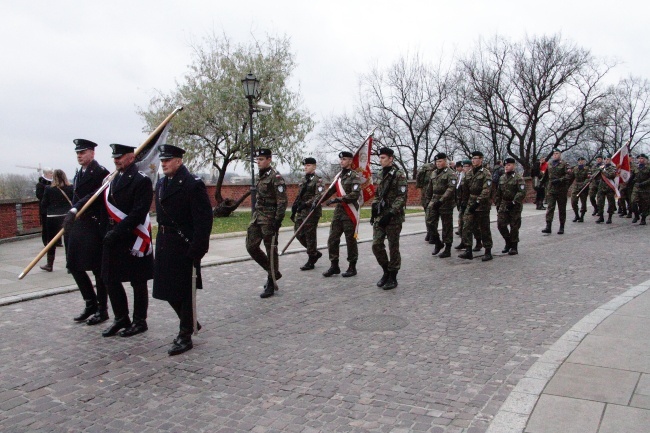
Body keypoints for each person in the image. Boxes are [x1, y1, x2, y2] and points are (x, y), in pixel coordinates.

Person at [152, 145, 213, 356]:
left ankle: (185, 335)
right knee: (165, 289)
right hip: (164, 242)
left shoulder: (191, 184)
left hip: (184, 244)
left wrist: (199, 248)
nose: (164, 163)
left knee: (185, 291)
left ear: (179, 161)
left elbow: (204, 219)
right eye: (162, 160)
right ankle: (191, 321)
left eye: (168, 160)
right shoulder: (161, 183)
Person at [93, 144, 154, 337]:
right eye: (114, 157)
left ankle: (139, 321)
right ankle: (121, 318)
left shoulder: (140, 180)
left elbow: (138, 212)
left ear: (131, 157)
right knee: (109, 278)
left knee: (138, 280)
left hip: (132, 236)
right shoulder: (111, 179)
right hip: (112, 236)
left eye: (119, 157)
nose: (116, 160)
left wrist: (117, 232)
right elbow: (102, 206)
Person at [62, 139, 111, 325]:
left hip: (93, 225)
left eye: (83, 152)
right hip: (78, 226)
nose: (79, 156)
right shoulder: (79, 173)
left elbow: (98, 197)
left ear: (92, 153)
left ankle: (102, 309)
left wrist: (76, 209)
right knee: (74, 266)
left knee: (97, 269)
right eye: (77, 153)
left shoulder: (101, 173)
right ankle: (90, 302)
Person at [246, 148, 287, 298]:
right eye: (257, 159)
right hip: (257, 217)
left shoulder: (276, 177)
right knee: (251, 246)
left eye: (261, 159)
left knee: (271, 250)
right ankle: (274, 272)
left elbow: (282, 201)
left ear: (269, 160)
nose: (258, 162)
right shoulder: (260, 176)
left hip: (269, 219)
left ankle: (271, 280)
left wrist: (278, 220)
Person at [370, 147, 407, 290]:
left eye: (383, 158)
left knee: (393, 247)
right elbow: (378, 194)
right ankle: (386, 270)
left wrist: (390, 213)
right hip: (381, 215)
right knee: (376, 245)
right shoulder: (379, 173)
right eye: (380, 158)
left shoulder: (399, 175)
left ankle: (393, 276)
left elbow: (401, 197)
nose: (381, 160)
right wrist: (374, 209)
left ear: (391, 159)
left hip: (394, 217)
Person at [322, 151, 362, 278]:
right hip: (339, 213)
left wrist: (337, 199)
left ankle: (352, 266)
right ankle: (334, 266)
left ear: (350, 161)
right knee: (332, 239)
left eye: (344, 159)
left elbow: (354, 195)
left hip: (349, 212)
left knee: (350, 240)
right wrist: (317, 201)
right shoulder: (338, 177)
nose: (341, 161)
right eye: (341, 159)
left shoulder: (354, 176)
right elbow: (329, 192)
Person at [290, 157, 324, 271]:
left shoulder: (318, 180)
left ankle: (311, 259)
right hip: (301, 211)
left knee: (310, 236)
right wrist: (294, 207)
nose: (306, 167)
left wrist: (306, 204)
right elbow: (299, 195)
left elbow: (319, 196)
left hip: (311, 211)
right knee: (298, 233)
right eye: (305, 166)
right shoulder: (303, 179)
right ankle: (314, 252)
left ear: (314, 166)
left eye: (308, 165)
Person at [459, 151, 493, 261]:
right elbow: (465, 189)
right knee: (466, 226)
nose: (473, 160)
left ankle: (488, 250)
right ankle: (468, 250)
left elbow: (486, 191)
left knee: (484, 228)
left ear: (481, 159)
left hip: (482, 205)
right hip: (470, 202)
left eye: (476, 158)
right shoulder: (469, 173)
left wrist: (477, 202)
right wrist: (464, 203)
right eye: (472, 158)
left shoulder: (486, 173)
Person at [39, 169, 73, 271]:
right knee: (68, 240)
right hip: (67, 216)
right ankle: (70, 265)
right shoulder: (71, 187)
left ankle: (50, 265)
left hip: (52, 217)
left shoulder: (49, 189)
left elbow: (44, 203)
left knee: (51, 241)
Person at [424, 152, 456, 258]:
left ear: (445, 161)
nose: (438, 163)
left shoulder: (450, 173)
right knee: (429, 221)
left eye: (440, 161)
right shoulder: (433, 173)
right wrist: (427, 200)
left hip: (445, 202)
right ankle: (438, 242)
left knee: (447, 226)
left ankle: (447, 248)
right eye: (436, 161)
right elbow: (430, 188)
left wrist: (441, 200)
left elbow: (451, 188)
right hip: (434, 199)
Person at [495, 158, 526, 255]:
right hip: (504, 204)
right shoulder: (502, 178)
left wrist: (513, 202)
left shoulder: (518, 178)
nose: (506, 167)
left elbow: (522, 192)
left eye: (508, 165)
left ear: (513, 166)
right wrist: (498, 203)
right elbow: (498, 192)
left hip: (514, 205)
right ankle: (508, 241)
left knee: (514, 226)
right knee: (501, 224)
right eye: (505, 165)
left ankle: (514, 246)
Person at [541, 148, 573, 235]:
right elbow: (546, 175)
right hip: (551, 189)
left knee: (561, 208)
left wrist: (560, 180)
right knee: (550, 207)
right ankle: (548, 226)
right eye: (554, 154)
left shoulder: (565, 164)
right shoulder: (550, 163)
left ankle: (561, 226)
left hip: (561, 189)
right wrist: (541, 183)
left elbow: (569, 175)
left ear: (560, 155)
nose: (555, 155)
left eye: (557, 153)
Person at [416, 160, 435, 242]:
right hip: (432, 194)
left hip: (424, 194)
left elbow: (418, 182)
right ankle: (431, 234)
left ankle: (429, 233)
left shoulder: (424, 168)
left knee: (427, 215)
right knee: (432, 215)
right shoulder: (435, 170)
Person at [595, 155, 617, 224]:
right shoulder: (601, 167)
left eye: (608, 159)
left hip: (609, 187)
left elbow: (610, 175)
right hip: (601, 187)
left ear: (610, 160)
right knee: (600, 203)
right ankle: (601, 217)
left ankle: (609, 217)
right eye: (605, 159)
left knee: (611, 203)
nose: (606, 160)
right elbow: (596, 175)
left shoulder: (613, 168)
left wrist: (603, 171)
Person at [36, 168, 53, 248]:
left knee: (54, 225)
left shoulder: (53, 183)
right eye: (50, 173)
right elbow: (39, 195)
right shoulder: (40, 184)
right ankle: (46, 241)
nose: (52, 174)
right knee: (46, 226)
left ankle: (55, 241)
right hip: (44, 208)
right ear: (46, 174)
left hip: (53, 208)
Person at [631, 153, 650, 225]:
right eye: (639, 158)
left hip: (646, 188)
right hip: (637, 187)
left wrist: (644, 183)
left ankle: (643, 219)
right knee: (632, 202)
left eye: (642, 158)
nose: (640, 160)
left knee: (644, 204)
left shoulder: (648, 167)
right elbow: (632, 177)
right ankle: (636, 215)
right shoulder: (636, 167)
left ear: (645, 159)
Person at [570, 157, 590, 223]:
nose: (580, 162)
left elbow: (589, 178)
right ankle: (576, 215)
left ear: (584, 161)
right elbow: (572, 177)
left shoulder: (587, 169)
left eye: (582, 161)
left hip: (584, 187)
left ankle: (582, 216)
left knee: (583, 202)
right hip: (576, 186)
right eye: (579, 161)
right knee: (573, 201)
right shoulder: (575, 168)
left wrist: (584, 184)